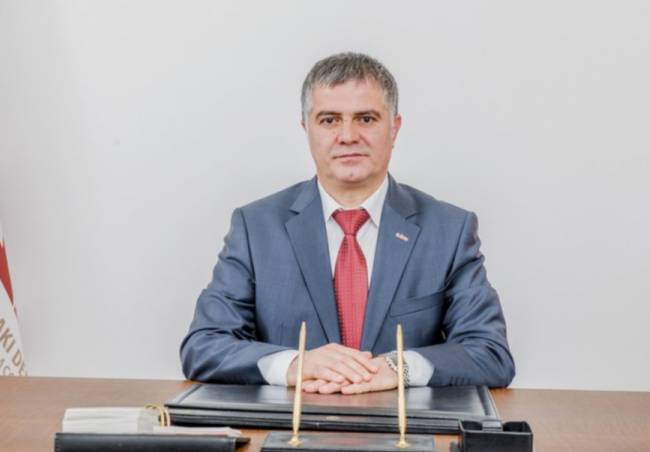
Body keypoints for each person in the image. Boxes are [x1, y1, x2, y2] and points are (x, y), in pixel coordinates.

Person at [180, 52, 514, 394]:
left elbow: (490, 353)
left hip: (401, 424)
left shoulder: (448, 230)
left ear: (394, 128)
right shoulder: (255, 227)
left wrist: (399, 367)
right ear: (306, 129)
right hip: (292, 423)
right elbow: (204, 345)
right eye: (329, 120)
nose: (348, 135)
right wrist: (296, 364)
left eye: (366, 119)